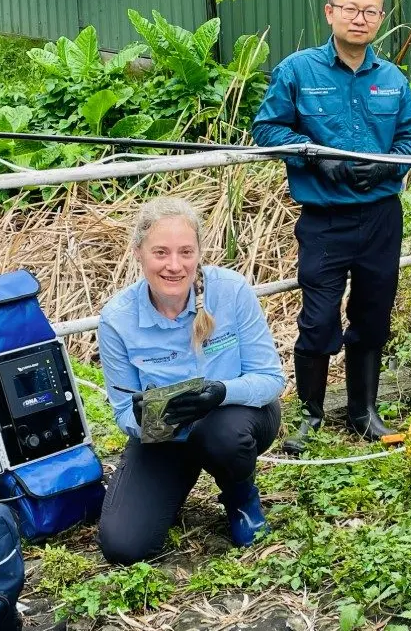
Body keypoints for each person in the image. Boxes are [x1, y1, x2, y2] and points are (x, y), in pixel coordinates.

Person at [251, 0, 411, 454]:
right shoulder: (298, 71)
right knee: (318, 318)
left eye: (370, 11)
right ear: (329, 12)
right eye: (350, 8)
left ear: (380, 19)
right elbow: (266, 130)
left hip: (380, 219)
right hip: (324, 219)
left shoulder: (391, 79)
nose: (359, 18)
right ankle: (308, 415)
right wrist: (311, 152)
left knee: (373, 315)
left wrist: (387, 170)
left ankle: (362, 410)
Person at [96, 197, 285, 564]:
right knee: (123, 546)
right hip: (168, 436)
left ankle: (240, 496)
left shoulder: (231, 291)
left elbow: (271, 379)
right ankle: (172, 481)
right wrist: (141, 417)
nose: (174, 265)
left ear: (199, 252)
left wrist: (220, 392)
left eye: (185, 252)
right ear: (138, 252)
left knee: (220, 434)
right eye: (160, 253)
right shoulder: (117, 320)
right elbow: (122, 412)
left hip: (234, 419)